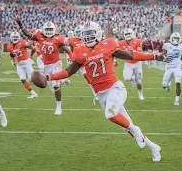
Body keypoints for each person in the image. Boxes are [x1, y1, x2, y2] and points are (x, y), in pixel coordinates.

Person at [42, 21, 163, 161]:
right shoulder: (81, 50)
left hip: (115, 88)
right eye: (85, 35)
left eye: (90, 34)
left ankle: (136, 131)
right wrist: (48, 76)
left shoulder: (108, 44)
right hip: (101, 95)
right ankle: (154, 147)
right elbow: (68, 71)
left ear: (98, 33)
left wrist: (154, 56)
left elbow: (130, 55)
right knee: (126, 126)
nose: (87, 37)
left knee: (111, 114)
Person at [13, 16, 72, 115]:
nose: (48, 31)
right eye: (47, 30)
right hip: (46, 65)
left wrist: (71, 56)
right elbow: (27, 34)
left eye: (50, 29)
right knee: (53, 89)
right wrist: (20, 24)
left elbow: (67, 49)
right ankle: (63, 79)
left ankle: (59, 107)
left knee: (56, 86)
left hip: (56, 63)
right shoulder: (39, 36)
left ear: (54, 30)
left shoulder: (58, 39)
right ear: (43, 30)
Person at [8, 31, 38, 98]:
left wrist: (32, 52)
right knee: (22, 79)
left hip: (26, 62)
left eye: (16, 37)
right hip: (20, 64)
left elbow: (31, 47)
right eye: (13, 37)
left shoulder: (22, 42)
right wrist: (12, 60)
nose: (15, 39)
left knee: (31, 78)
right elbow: (11, 54)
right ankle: (33, 93)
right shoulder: (9, 46)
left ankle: (44, 78)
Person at [118, 28, 145, 100]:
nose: (128, 35)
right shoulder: (121, 43)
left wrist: (133, 52)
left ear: (132, 34)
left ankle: (140, 94)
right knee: (127, 79)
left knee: (139, 81)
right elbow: (117, 51)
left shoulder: (137, 41)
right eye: (126, 34)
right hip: (128, 63)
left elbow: (140, 52)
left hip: (137, 63)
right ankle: (132, 78)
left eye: (129, 34)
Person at [162, 32, 182, 106]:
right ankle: (168, 85)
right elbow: (163, 54)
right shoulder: (167, 45)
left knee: (178, 83)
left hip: (177, 67)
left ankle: (177, 100)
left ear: (179, 39)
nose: (175, 40)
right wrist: (164, 58)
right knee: (164, 85)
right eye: (174, 38)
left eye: (177, 38)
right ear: (171, 39)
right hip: (169, 67)